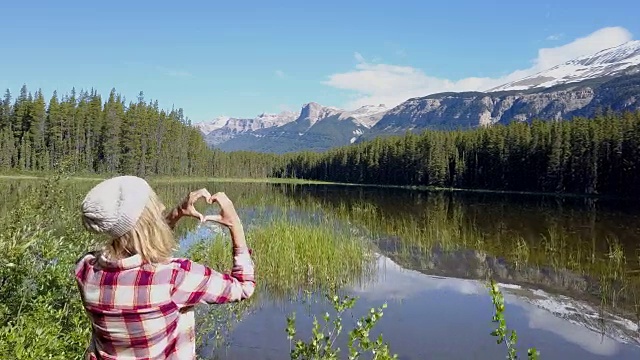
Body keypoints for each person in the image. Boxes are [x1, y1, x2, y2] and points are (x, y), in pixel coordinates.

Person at [74, 175, 255, 360]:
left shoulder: (86, 270)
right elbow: (244, 286)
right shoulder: (175, 277)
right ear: (146, 220)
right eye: (155, 204)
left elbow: (144, 253)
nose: (161, 207)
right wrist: (235, 224)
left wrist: (177, 213)